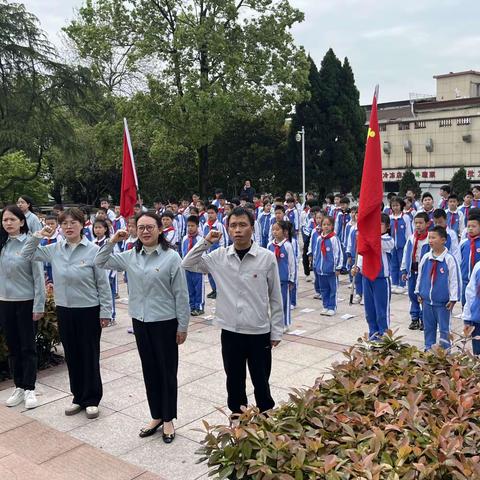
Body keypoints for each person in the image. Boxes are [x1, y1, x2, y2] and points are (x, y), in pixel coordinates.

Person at [95, 212, 190, 443]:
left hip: (166, 322)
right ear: (136, 231)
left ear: (160, 229)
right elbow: (99, 261)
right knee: (149, 370)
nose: (145, 231)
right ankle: (156, 415)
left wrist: (183, 325)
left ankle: (168, 418)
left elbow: (181, 294)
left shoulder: (171, 257)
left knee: (166, 372)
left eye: (150, 227)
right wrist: (112, 241)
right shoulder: (130, 255)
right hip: (140, 321)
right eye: (141, 227)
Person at [181, 206, 283, 415]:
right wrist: (207, 241)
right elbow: (188, 263)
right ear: (227, 229)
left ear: (252, 228)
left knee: (261, 378)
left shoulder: (266, 257)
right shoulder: (219, 257)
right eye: (233, 225)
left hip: (258, 331)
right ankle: (237, 416)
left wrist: (277, 330)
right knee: (234, 379)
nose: (238, 230)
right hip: (230, 331)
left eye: (243, 225)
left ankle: (266, 412)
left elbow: (275, 296)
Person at [21, 207, 112, 420]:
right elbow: (27, 254)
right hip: (65, 310)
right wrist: (38, 235)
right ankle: (78, 397)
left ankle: (92, 399)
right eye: (64, 223)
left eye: (73, 222)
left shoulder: (93, 250)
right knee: (72, 354)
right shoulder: (55, 249)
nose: (68, 227)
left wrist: (105, 311)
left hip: (89, 310)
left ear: (82, 225)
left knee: (89, 355)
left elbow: (103, 284)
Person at [0, 205, 45, 409]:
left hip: (26, 302)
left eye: (12, 219)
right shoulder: (2, 245)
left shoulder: (30, 243)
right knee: (13, 347)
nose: (8, 223)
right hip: (5, 302)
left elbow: (38, 278)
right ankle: (18, 386)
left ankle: (29, 388)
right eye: (5, 220)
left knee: (28, 347)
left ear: (22, 221)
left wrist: (39, 305)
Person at [416, 226, 461, 350]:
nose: (430, 240)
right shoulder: (426, 257)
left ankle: (445, 352)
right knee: (428, 327)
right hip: (427, 302)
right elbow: (420, 276)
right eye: (429, 237)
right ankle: (428, 348)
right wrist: (418, 292)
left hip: (443, 303)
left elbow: (454, 280)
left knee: (444, 329)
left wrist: (453, 299)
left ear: (443, 240)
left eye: (434, 237)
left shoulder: (449, 260)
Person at [354, 214, 394, 339]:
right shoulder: (369, 239)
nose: (376, 227)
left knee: (381, 311)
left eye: (380, 224)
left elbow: (379, 244)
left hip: (381, 279)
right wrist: (358, 267)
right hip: (367, 277)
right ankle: (373, 334)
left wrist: (365, 235)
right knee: (369, 310)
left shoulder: (388, 239)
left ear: (387, 227)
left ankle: (384, 336)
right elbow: (363, 254)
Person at [401, 212, 430, 331]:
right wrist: (404, 270)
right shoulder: (411, 238)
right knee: (412, 295)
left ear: (427, 224)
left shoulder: (429, 239)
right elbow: (405, 254)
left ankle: (424, 319)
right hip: (412, 271)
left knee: (422, 295)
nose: (418, 225)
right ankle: (414, 318)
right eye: (416, 223)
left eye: (420, 223)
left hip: (424, 272)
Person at [268, 221, 295, 332]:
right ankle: (274, 323)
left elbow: (292, 263)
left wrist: (292, 279)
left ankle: (285, 323)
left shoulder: (287, 246)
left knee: (283, 302)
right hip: (272, 279)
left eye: (277, 229)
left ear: (284, 232)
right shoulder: (270, 245)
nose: (275, 232)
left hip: (284, 280)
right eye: (273, 229)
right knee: (273, 303)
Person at [313, 216, 343, 316]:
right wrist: (315, 264)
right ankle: (325, 306)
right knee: (323, 289)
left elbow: (338, 253)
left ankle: (332, 307)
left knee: (332, 289)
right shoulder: (319, 239)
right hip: (320, 269)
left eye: (328, 224)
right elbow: (316, 253)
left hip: (331, 269)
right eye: (324, 224)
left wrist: (338, 267)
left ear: (332, 226)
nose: (326, 227)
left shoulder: (334, 239)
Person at [93, 219, 117, 325]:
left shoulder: (110, 242)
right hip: (97, 274)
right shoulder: (92, 243)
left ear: (105, 229)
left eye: (100, 227)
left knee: (109, 295)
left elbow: (115, 256)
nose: (97, 230)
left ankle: (111, 316)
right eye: (95, 228)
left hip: (109, 273)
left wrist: (112, 274)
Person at [203, 205, 228, 299]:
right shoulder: (205, 225)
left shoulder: (219, 225)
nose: (210, 215)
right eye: (208, 213)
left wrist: (222, 253)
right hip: (208, 252)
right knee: (210, 272)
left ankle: (219, 290)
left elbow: (223, 240)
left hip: (217, 252)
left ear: (216, 214)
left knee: (218, 272)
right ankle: (214, 290)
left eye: (212, 213)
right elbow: (203, 239)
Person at [181, 216, 205, 316]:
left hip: (198, 268)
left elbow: (203, 253)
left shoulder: (200, 239)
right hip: (187, 268)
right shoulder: (185, 239)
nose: (190, 228)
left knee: (198, 288)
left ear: (197, 226)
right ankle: (191, 306)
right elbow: (183, 252)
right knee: (189, 288)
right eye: (188, 226)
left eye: (192, 226)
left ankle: (199, 307)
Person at [390, 197, 412, 294]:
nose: (395, 207)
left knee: (402, 264)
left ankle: (402, 284)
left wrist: (408, 244)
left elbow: (408, 232)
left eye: (397, 205)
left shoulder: (405, 217)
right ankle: (394, 283)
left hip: (402, 246)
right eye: (393, 206)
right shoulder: (389, 218)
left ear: (401, 206)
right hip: (392, 246)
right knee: (393, 264)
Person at [459, 212, 480, 305]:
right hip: (465, 280)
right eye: (468, 226)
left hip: (478, 280)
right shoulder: (464, 243)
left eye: (474, 226)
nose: (470, 228)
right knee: (465, 303)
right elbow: (459, 260)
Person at [462, 260, 480, 354]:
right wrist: (467, 319)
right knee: (477, 356)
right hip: (477, 322)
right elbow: (470, 294)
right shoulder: (478, 267)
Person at [40, 215, 61, 284]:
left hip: (55, 266)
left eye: (52, 224)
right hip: (44, 266)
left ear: (57, 224)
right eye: (47, 224)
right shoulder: (42, 237)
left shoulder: (59, 237)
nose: (50, 226)